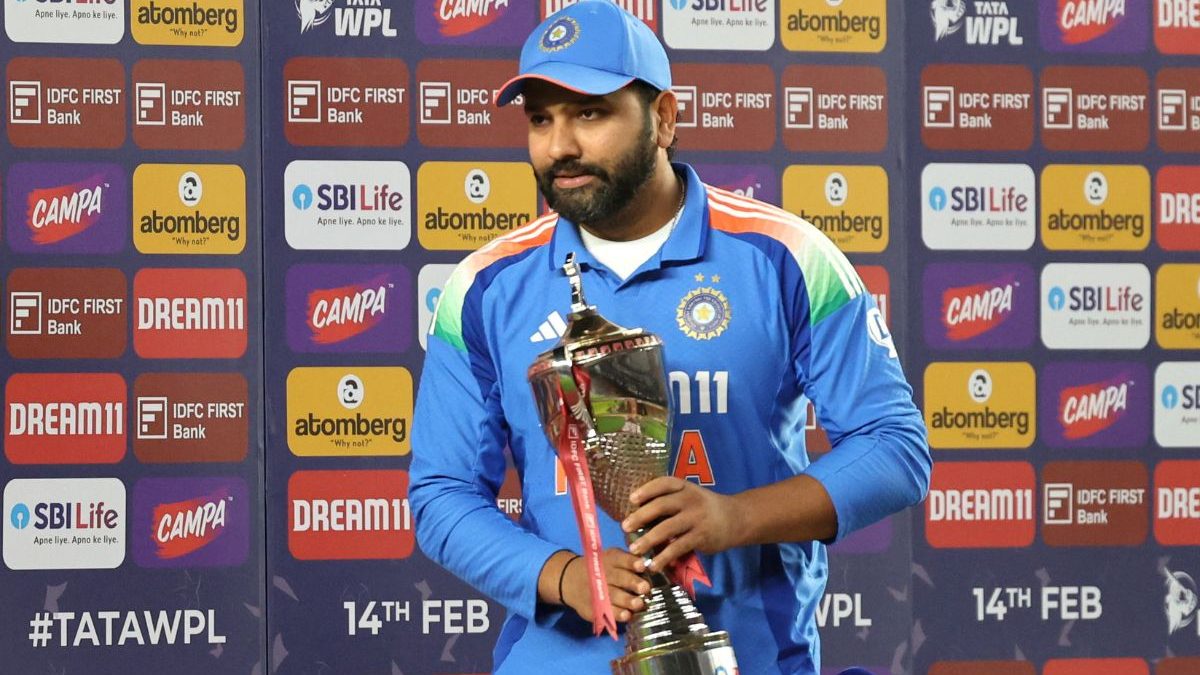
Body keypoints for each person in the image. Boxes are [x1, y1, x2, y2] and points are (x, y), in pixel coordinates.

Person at [409, 2, 932, 673]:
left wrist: (734, 518)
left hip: (749, 656)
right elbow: (442, 494)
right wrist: (561, 573)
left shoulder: (788, 259)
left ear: (663, 119)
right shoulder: (483, 286)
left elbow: (895, 449)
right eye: (541, 118)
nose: (560, 146)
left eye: (590, 113)